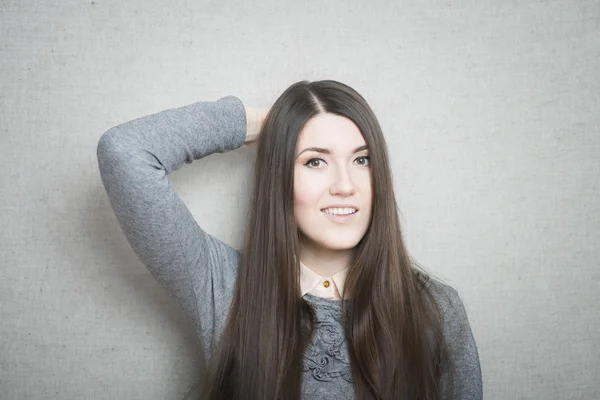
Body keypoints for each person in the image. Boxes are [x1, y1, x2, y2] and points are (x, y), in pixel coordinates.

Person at [96, 79, 482, 399]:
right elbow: (125, 152)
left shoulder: (435, 309)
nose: (345, 186)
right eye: (316, 161)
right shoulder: (226, 287)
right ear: (280, 175)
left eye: (362, 160)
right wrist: (274, 124)